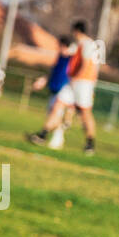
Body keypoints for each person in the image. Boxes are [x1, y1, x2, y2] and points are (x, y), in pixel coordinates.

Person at [29, 21, 98, 154]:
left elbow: (85, 64)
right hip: (72, 82)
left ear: (77, 31)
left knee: (85, 113)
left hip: (83, 83)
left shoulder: (88, 44)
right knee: (57, 105)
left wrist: (77, 78)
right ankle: (43, 135)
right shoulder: (77, 45)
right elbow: (66, 55)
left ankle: (90, 143)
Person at [27, 36, 77, 149]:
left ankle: (42, 135)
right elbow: (53, 71)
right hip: (55, 89)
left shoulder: (72, 59)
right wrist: (43, 80)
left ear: (64, 46)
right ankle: (58, 137)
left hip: (66, 89)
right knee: (53, 115)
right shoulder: (60, 58)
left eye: (59, 46)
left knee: (55, 111)